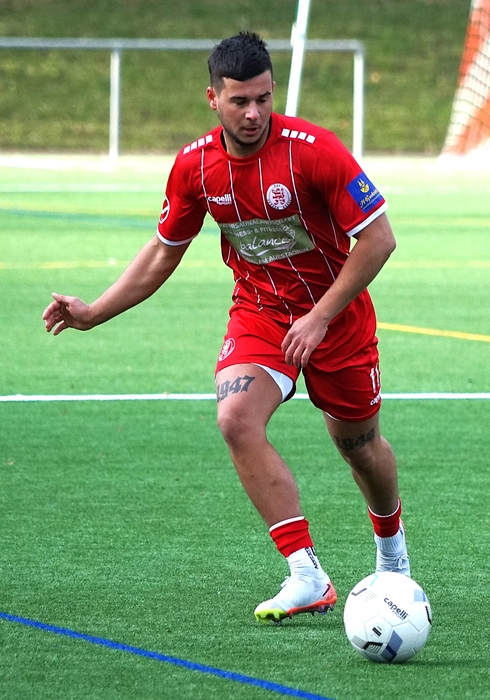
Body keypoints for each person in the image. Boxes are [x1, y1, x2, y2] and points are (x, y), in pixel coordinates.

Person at [43, 31, 409, 624]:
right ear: (213, 98)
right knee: (235, 418)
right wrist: (93, 312)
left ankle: (392, 557)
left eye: (263, 98)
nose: (254, 113)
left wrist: (320, 316)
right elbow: (163, 252)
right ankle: (306, 575)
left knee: (359, 447)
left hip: (336, 318)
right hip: (260, 312)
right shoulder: (195, 166)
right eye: (240, 101)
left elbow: (379, 238)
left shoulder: (314, 151)